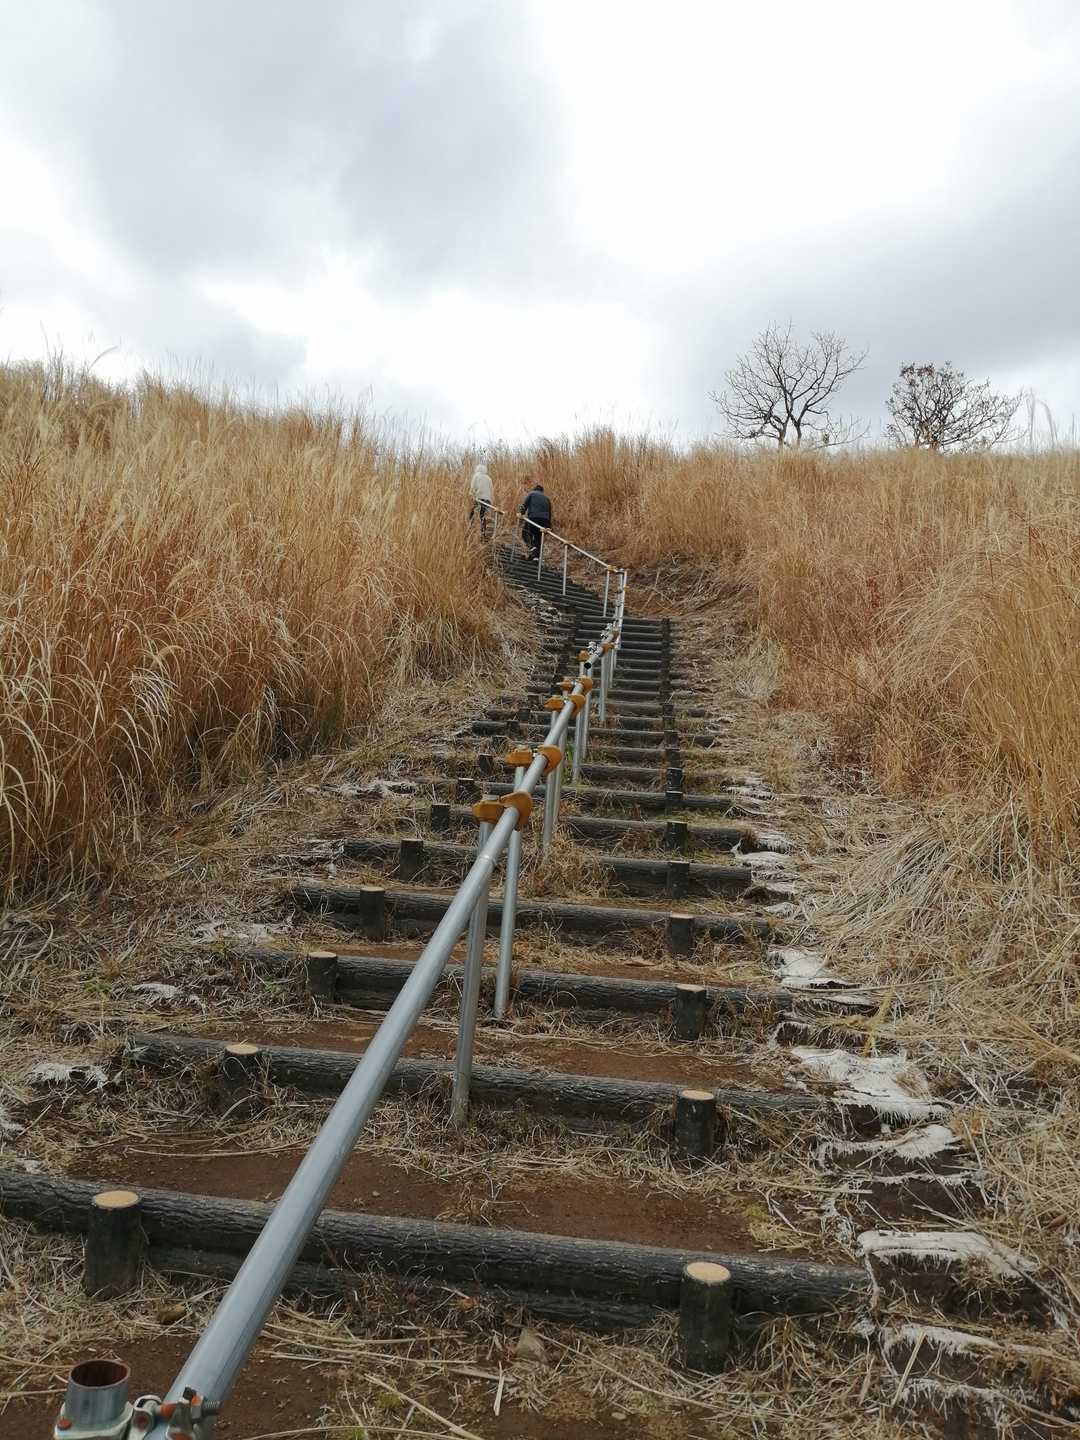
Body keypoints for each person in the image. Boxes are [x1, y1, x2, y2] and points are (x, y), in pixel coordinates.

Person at [519, 481, 552, 559]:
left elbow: (524, 505)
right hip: (545, 520)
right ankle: (536, 557)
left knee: (526, 532)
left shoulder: (532, 493)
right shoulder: (547, 498)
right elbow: (549, 513)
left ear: (535, 489)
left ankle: (532, 547)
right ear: (542, 491)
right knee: (539, 537)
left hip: (534, 517)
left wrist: (521, 513)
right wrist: (549, 526)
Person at [468, 459, 495, 539]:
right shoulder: (489, 478)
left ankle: (470, 528)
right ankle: (483, 533)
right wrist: (491, 500)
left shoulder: (476, 476)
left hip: (479, 498)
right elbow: (491, 490)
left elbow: (472, 488)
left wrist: (471, 495)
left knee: (472, 514)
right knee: (482, 515)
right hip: (487, 499)